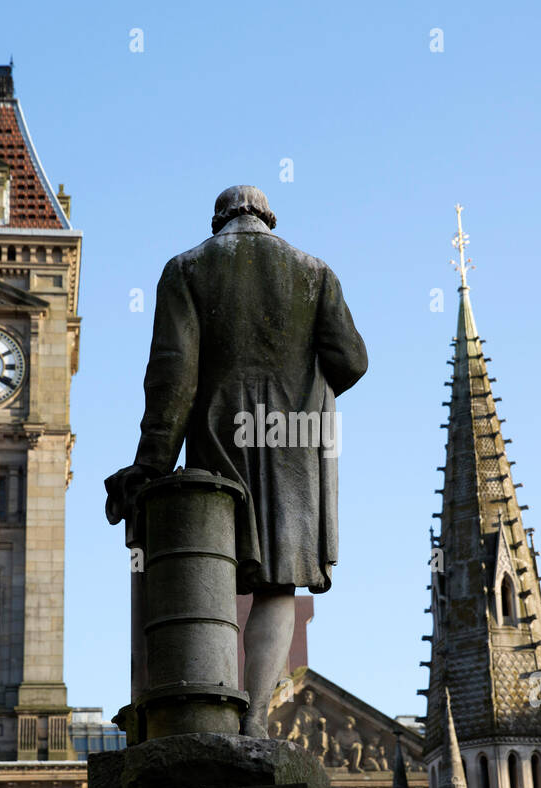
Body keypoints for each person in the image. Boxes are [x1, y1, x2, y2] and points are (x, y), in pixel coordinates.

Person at [106, 186, 368, 737]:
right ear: (269, 219)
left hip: (220, 438)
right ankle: (253, 721)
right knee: (278, 585)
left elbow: (172, 376)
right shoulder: (314, 272)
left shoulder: (187, 268)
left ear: (218, 219)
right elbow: (352, 359)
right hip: (295, 447)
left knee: (212, 568)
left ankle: (209, 712)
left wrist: (152, 462)